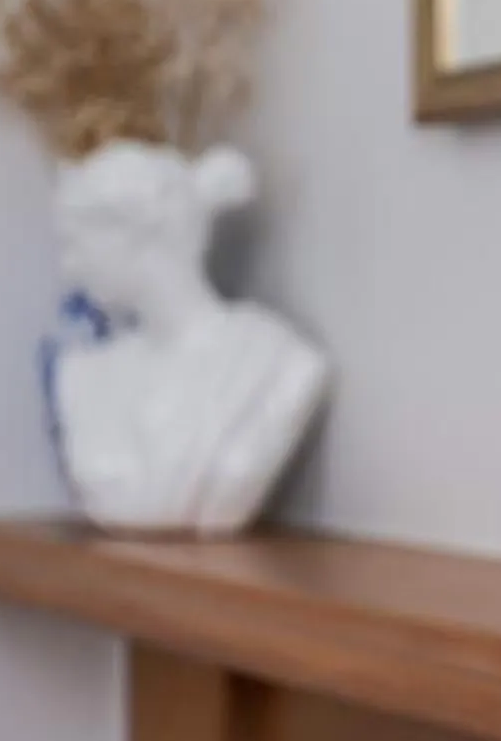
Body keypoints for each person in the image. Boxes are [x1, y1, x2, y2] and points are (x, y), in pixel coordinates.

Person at [45, 141, 327, 535]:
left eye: (76, 245)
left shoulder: (281, 364)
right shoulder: (81, 374)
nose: (70, 268)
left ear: (135, 236)